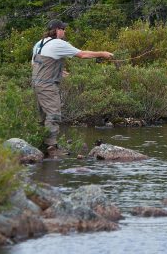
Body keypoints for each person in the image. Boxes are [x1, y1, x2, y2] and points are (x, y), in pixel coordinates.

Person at [31, 19, 113, 158]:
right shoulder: (58, 43)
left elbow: (35, 63)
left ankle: (41, 144)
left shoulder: (40, 43)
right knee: (54, 114)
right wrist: (102, 53)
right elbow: (82, 54)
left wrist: (59, 72)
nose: (65, 31)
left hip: (36, 83)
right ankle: (51, 147)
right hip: (48, 85)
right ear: (57, 30)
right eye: (63, 29)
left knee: (42, 116)